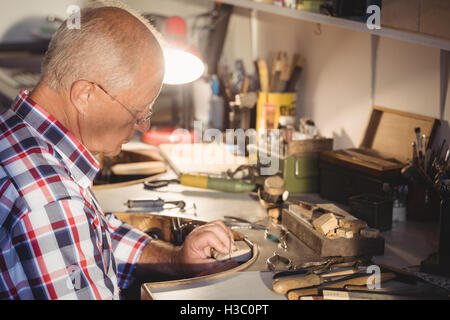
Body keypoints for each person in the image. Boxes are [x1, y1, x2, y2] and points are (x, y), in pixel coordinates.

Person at [0, 2, 234, 300]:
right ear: (84, 94)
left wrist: (176, 261)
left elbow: (90, 236)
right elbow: (64, 221)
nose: (143, 126)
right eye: (137, 112)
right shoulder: (50, 200)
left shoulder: (18, 132)